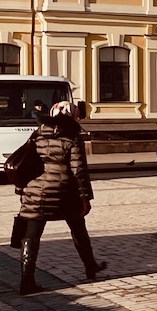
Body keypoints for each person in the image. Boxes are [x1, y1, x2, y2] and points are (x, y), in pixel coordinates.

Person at [16, 100, 105, 295]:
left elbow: (25, 161)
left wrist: (23, 189)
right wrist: (85, 198)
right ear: (72, 116)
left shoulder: (37, 133)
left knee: (31, 236)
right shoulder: (72, 137)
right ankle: (90, 267)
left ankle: (26, 281)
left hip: (35, 190)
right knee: (78, 229)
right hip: (64, 192)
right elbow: (79, 170)